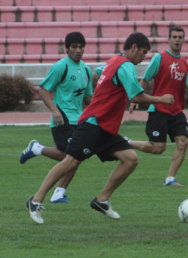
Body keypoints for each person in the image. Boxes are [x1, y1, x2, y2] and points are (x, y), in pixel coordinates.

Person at [26, 32, 174, 224]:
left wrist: (107, 90)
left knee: (130, 159)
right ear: (134, 47)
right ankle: (36, 201)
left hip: (106, 127)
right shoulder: (125, 65)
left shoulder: (113, 61)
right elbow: (136, 96)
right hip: (93, 124)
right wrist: (160, 99)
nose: (143, 58)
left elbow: (99, 71)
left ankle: (102, 200)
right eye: (143, 53)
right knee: (70, 161)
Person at [128, 26, 188, 186]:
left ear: (183, 40)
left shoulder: (186, 63)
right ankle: (128, 142)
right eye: (174, 37)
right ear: (169, 39)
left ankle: (170, 178)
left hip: (176, 111)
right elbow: (145, 80)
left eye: (180, 37)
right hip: (158, 110)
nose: (177, 40)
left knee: (183, 142)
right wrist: (135, 99)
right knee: (158, 148)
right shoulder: (159, 58)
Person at [20, 32, 93, 203]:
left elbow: (88, 97)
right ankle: (36, 149)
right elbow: (43, 90)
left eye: (81, 47)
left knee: (77, 156)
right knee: (70, 156)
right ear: (67, 48)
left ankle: (59, 192)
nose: (78, 50)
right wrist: (54, 110)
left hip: (79, 119)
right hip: (62, 118)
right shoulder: (61, 66)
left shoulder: (86, 71)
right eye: (74, 47)